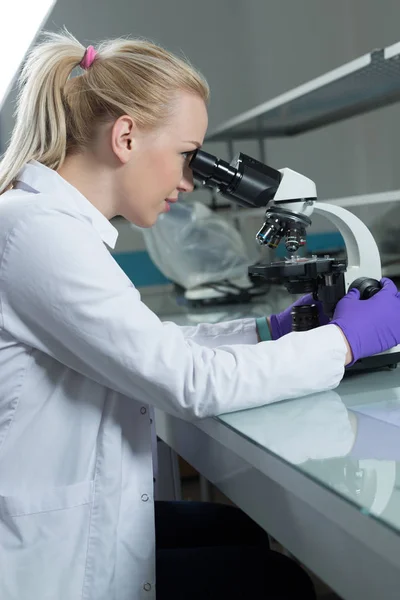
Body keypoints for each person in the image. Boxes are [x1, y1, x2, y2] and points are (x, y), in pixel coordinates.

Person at [0, 30, 399, 600]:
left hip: (70, 524)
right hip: (47, 569)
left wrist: (267, 331)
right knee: (277, 583)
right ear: (126, 137)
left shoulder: (50, 225)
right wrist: (342, 341)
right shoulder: (37, 234)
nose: (189, 183)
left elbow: (151, 347)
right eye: (188, 156)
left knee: (237, 531)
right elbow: (188, 382)